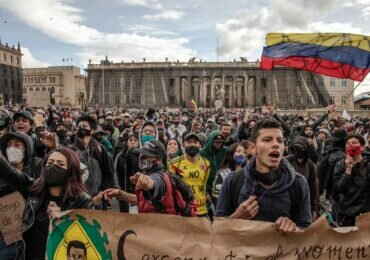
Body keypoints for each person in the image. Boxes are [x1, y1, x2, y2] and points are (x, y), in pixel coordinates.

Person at [216, 119, 312, 232]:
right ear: (252, 148)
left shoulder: (298, 183)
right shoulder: (232, 181)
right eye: (267, 140)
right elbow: (218, 229)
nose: (276, 145)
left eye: (280, 141)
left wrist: (295, 229)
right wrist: (236, 218)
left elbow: (306, 230)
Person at [0, 147, 93, 259]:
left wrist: (63, 220)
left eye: (60, 164)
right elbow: (8, 171)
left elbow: (87, 241)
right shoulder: (33, 189)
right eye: (50, 162)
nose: (53, 166)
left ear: (71, 170)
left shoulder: (83, 200)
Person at [105, 140, 197, 216]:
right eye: (141, 154)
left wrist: (146, 182)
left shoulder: (160, 177)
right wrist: (119, 193)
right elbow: (143, 201)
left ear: (159, 159)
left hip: (164, 233)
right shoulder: (154, 173)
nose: (142, 157)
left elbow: (153, 183)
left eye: (147, 155)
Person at [71, 115, 115, 209]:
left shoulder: (100, 149)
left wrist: (101, 194)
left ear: (92, 131)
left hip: (96, 199)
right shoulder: (71, 149)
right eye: (79, 126)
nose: (81, 129)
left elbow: (108, 174)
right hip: (75, 199)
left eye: (85, 126)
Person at [168, 133, 210, 217]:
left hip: (202, 209)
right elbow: (171, 187)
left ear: (200, 145)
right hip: (184, 209)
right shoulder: (174, 163)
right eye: (189, 142)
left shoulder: (206, 163)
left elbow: (204, 183)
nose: (192, 144)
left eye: (195, 142)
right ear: (183, 145)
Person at [333, 134, 370, 226]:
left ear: (361, 147)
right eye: (348, 143)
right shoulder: (340, 164)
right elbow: (339, 188)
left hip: (365, 212)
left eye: (354, 143)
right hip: (346, 213)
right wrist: (348, 169)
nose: (350, 145)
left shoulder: (368, 165)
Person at [286, 137, 319, 221]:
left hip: (304, 200)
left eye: (301, 148)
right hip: (287, 200)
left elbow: (313, 187)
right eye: (295, 147)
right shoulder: (287, 161)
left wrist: (314, 208)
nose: (297, 150)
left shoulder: (310, 165)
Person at [200, 130, 227, 201]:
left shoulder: (225, 151)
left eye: (221, 142)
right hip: (206, 186)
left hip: (220, 186)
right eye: (216, 142)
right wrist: (206, 193)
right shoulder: (202, 153)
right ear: (210, 141)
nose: (218, 144)